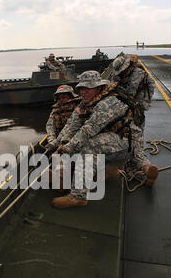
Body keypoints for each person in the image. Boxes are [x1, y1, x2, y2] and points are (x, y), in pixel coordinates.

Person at [50, 70, 132, 209]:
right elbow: (71, 125)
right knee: (73, 144)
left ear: (99, 87)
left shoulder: (109, 102)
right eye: (81, 88)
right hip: (106, 142)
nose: (83, 92)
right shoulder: (84, 104)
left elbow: (89, 129)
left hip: (122, 144)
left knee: (87, 145)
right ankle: (109, 172)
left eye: (88, 88)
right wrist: (57, 143)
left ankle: (78, 196)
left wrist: (68, 148)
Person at [111, 54, 158, 186]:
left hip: (139, 105)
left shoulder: (138, 74)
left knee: (135, 132)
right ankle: (142, 165)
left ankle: (138, 165)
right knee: (131, 134)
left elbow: (129, 95)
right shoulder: (123, 73)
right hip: (130, 104)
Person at [45, 85, 81, 149]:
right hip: (59, 139)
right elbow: (50, 126)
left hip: (74, 138)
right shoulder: (55, 110)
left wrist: (58, 142)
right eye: (59, 98)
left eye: (64, 97)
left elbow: (73, 126)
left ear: (71, 97)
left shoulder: (78, 107)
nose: (61, 100)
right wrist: (51, 141)